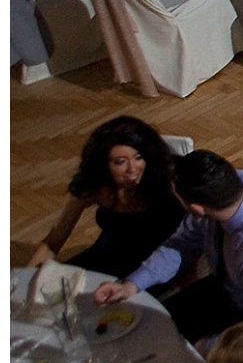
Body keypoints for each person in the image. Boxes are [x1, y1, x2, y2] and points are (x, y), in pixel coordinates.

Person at [94, 149, 243, 345]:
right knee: (149, 329)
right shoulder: (230, 188)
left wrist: (209, 348)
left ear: (196, 208)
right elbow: (182, 243)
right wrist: (132, 285)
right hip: (233, 289)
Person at [28, 115, 184, 280]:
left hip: (159, 263)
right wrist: (24, 280)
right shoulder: (93, 187)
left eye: (138, 158)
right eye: (120, 162)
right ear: (102, 164)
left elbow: (198, 234)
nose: (132, 169)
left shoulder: (169, 180)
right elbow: (52, 242)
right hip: (109, 258)